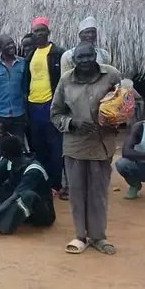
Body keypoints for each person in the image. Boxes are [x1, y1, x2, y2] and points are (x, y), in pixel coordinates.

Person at [51, 42, 121, 255]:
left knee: (98, 191)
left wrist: (117, 118)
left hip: (102, 144)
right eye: (80, 58)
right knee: (77, 191)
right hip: (75, 145)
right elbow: (55, 113)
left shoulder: (111, 75)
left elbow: (128, 101)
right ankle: (80, 235)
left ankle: (99, 237)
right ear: (74, 60)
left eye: (89, 56)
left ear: (95, 56)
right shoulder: (66, 80)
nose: (85, 61)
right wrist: (72, 123)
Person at [0, 136, 55, 239]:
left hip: (41, 214)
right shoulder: (9, 161)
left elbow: (13, 198)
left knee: (27, 195)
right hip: (19, 205)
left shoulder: (33, 170)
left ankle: (0, 226)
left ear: (4, 154)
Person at [24, 17, 65, 191]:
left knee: (55, 145)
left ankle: (55, 183)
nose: (39, 34)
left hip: (51, 104)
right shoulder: (30, 55)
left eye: (42, 30)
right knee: (38, 146)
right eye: (35, 31)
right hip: (34, 106)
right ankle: (42, 181)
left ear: (48, 32)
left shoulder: (58, 52)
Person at [0, 35, 27, 140]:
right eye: (7, 44)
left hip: (18, 114)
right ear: (0, 47)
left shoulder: (23, 63)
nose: (11, 46)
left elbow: (25, 89)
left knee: (18, 145)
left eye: (12, 43)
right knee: (1, 146)